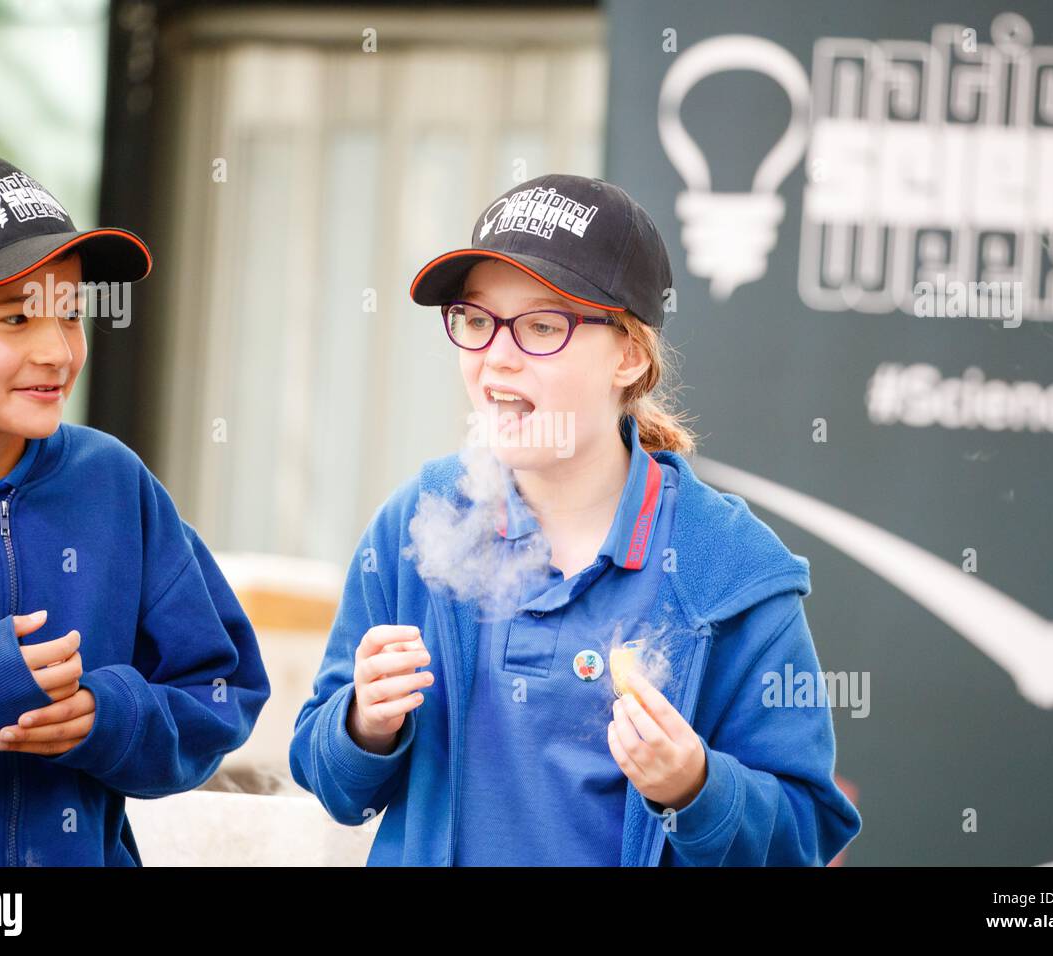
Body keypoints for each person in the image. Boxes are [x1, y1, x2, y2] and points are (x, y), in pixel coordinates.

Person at [289, 173, 861, 865]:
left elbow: (807, 832)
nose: (495, 356)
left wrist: (695, 787)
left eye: (540, 326)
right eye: (475, 320)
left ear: (628, 354)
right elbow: (330, 782)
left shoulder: (729, 566)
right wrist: (362, 725)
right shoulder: (418, 521)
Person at [0, 153, 270, 865]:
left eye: (71, 315)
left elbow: (224, 688)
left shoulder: (113, 482)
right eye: (16, 318)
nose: (56, 350)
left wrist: (110, 718)